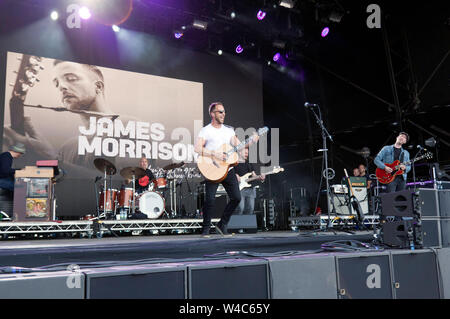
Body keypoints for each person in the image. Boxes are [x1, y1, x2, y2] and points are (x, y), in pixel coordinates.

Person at [194, 102, 258, 236]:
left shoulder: (228, 130)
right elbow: (197, 148)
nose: (224, 114)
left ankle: (222, 224)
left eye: (224, 111)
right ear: (212, 114)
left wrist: (251, 141)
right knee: (210, 200)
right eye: (220, 111)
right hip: (212, 168)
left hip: (227, 170)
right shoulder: (206, 130)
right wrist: (214, 154)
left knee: (236, 198)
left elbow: (240, 146)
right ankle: (205, 229)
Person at [235, 147, 265, 215]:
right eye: (245, 153)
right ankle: (237, 225)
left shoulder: (249, 163)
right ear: (239, 152)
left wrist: (260, 178)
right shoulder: (234, 163)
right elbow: (229, 173)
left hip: (250, 188)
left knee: (250, 209)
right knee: (240, 208)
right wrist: (235, 175)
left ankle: (247, 225)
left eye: (247, 153)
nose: (247, 154)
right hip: (239, 189)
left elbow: (254, 175)